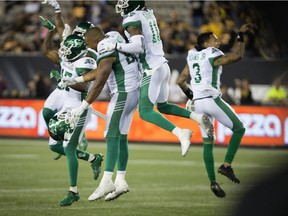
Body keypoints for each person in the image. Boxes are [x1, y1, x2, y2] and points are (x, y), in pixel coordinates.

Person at [104, 0, 214, 157]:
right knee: (163, 106)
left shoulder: (131, 18)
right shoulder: (148, 14)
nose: (122, 4)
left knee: (145, 111)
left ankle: (181, 133)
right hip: (162, 65)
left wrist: (116, 46)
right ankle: (197, 117)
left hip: (151, 68)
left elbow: (138, 46)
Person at [62, 27, 141, 201]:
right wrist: (78, 79)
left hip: (123, 91)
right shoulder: (113, 37)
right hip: (134, 91)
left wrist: (83, 105)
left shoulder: (104, 45)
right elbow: (102, 69)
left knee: (110, 135)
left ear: (95, 42)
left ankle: (106, 181)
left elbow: (101, 79)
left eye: (90, 44)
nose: (91, 48)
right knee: (121, 137)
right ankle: (120, 180)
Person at [177, 23, 252, 198]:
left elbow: (180, 80)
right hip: (211, 100)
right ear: (205, 44)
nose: (218, 42)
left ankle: (212, 182)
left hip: (198, 103)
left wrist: (191, 96)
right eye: (214, 39)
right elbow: (238, 55)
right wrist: (240, 35)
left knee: (208, 143)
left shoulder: (192, 56)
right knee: (239, 128)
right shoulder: (212, 54)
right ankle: (226, 165)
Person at [40, 20, 103, 206]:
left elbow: (83, 84)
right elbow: (47, 52)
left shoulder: (87, 59)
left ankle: (73, 191)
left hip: (78, 106)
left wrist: (64, 78)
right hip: (65, 99)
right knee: (54, 145)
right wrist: (51, 31)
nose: (65, 53)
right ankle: (93, 158)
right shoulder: (71, 53)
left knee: (68, 149)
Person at [41, 0, 95, 159]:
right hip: (63, 88)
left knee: (70, 135)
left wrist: (69, 78)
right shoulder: (70, 42)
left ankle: (79, 136)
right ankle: (56, 138)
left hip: (77, 92)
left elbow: (87, 79)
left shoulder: (89, 53)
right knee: (46, 113)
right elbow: (59, 27)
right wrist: (57, 8)